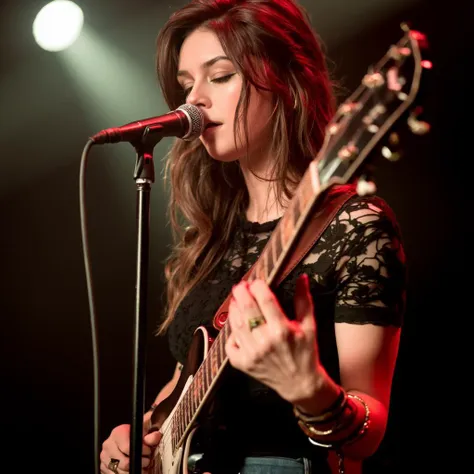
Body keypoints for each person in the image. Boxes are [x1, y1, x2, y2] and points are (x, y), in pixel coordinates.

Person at [100, 0, 406, 473]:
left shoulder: (355, 225)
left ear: (287, 85)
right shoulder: (213, 234)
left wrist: (312, 393)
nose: (193, 100)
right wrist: (138, 441)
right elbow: (186, 385)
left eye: (220, 76)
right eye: (186, 85)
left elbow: (372, 431)